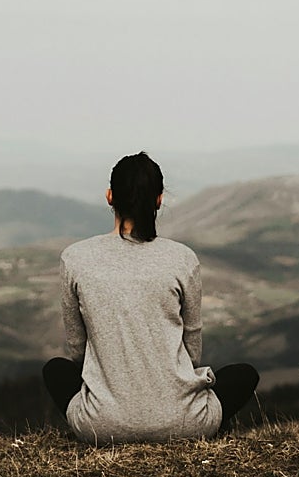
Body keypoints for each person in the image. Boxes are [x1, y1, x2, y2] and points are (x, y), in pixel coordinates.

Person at [42, 151, 259, 443]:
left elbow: (77, 350)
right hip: (186, 423)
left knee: (55, 370)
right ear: (159, 200)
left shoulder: (74, 258)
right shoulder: (182, 258)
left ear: (109, 196)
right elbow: (192, 350)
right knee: (244, 374)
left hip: (101, 426)